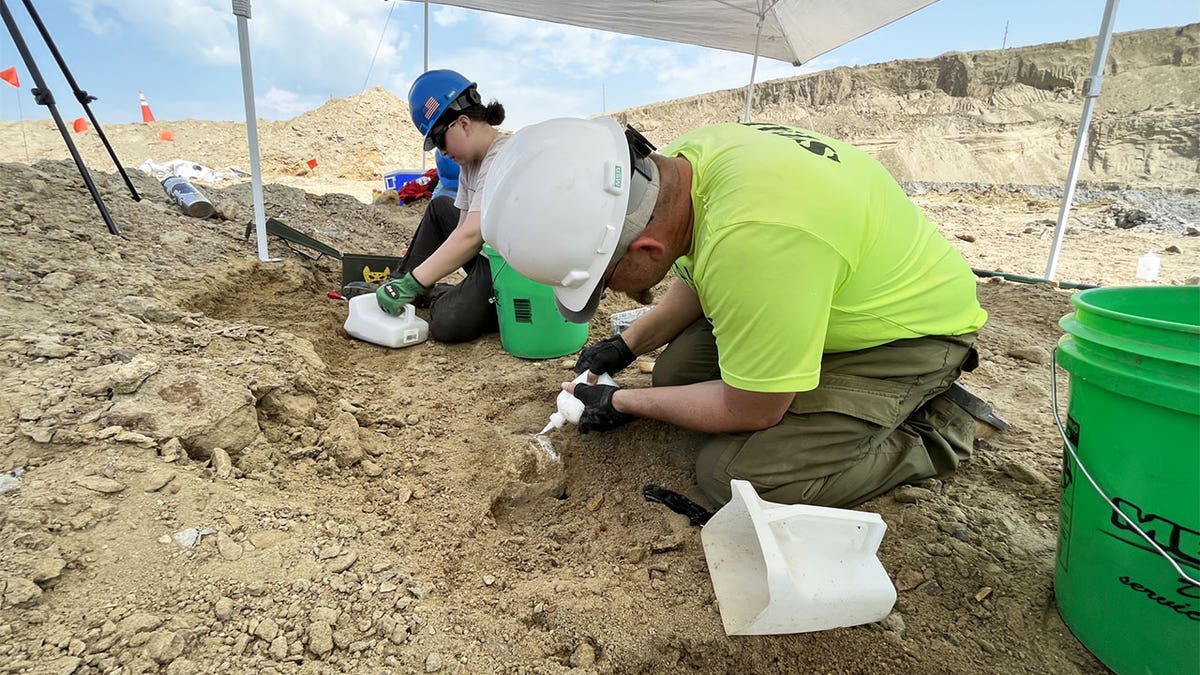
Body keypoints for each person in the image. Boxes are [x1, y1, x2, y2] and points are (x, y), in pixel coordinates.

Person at [481, 117, 998, 508]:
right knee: (677, 372)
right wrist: (626, 346)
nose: (610, 293)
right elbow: (698, 275)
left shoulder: (755, 242)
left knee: (733, 474)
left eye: (605, 281)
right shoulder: (681, 168)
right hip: (820, 287)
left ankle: (941, 429)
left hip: (908, 333)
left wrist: (626, 404)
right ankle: (827, 392)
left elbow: (755, 408)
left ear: (645, 252)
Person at [373, 69, 509, 343]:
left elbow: (472, 235)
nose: (442, 152)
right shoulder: (471, 164)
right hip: (489, 253)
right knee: (440, 208)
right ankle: (399, 285)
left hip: (508, 266)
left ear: (463, 123)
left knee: (447, 323)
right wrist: (412, 279)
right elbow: (460, 228)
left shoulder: (503, 157)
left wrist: (417, 281)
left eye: (438, 140)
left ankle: (426, 291)